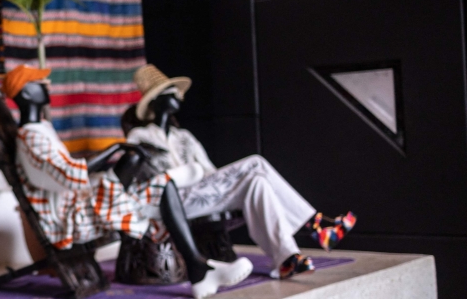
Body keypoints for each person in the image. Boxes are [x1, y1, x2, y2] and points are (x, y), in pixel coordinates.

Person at [3, 64, 254, 299]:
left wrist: (120, 154)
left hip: (86, 201)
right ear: (26, 93)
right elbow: (69, 175)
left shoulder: (41, 130)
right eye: (40, 83)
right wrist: (115, 147)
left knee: (152, 176)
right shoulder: (31, 138)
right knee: (140, 166)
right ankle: (199, 270)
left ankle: (200, 270)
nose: (47, 86)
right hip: (70, 217)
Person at [124, 64, 356, 279]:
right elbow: (142, 178)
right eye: (171, 92)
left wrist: (224, 182)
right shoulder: (139, 137)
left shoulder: (184, 137)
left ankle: (287, 259)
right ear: (156, 101)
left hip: (201, 193)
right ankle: (315, 225)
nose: (178, 96)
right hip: (167, 201)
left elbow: (209, 171)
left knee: (257, 182)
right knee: (255, 163)